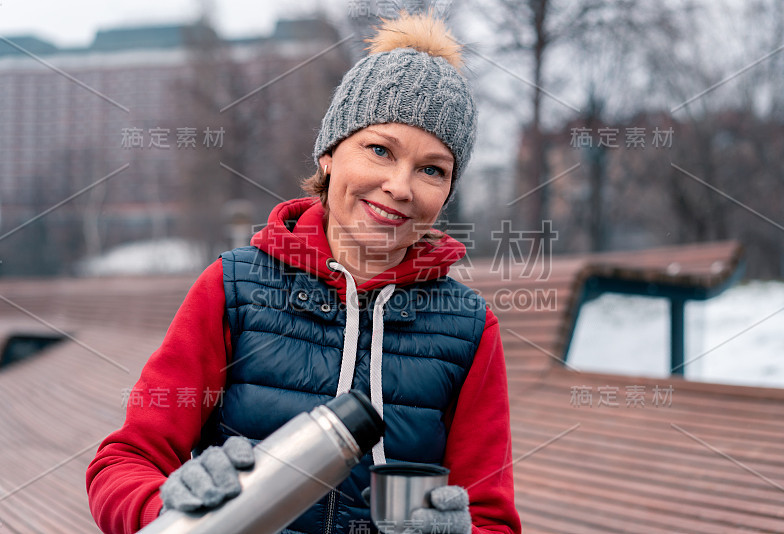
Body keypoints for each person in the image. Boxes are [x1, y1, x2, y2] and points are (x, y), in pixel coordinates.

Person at [86, 11, 521, 534]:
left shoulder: (469, 328)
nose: (401, 186)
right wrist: (168, 507)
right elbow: (124, 462)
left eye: (432, 169)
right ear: (329, 155)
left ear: (447, 191)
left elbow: (492, 516)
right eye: (379, 150)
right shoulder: (232, 289)